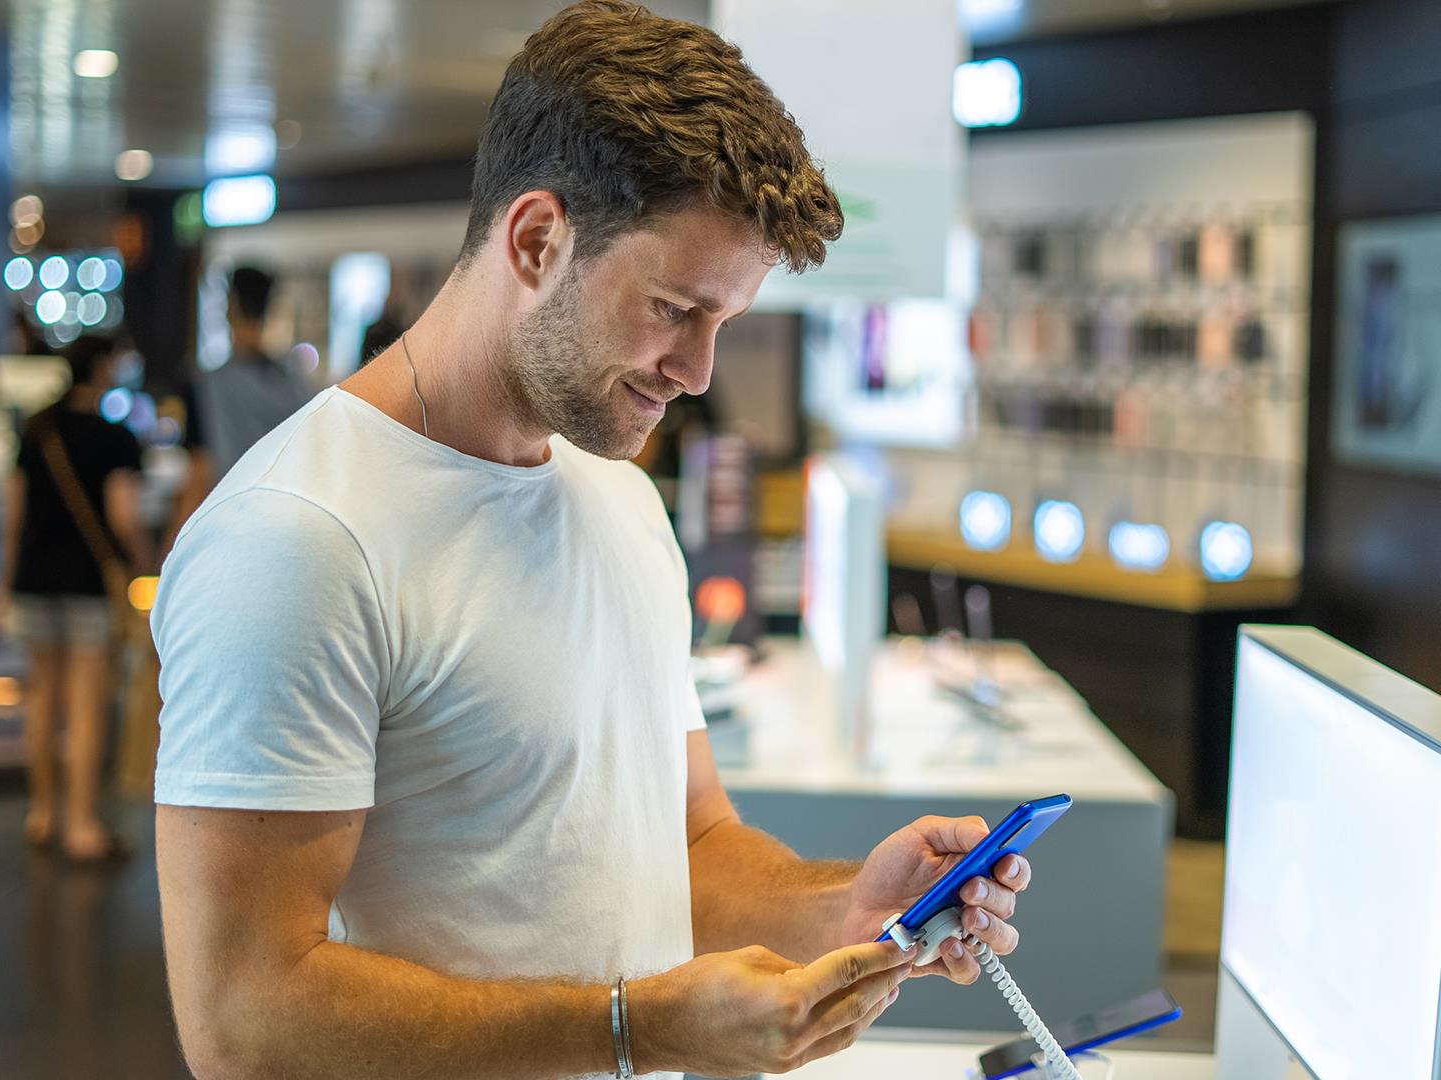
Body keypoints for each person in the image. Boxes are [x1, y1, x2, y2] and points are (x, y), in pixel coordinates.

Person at [151, 5, 1033, 1078]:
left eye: (724, 322)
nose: (700, 371)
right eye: (672, 309)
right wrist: (633, 1026)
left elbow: (692, 844)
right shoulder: (296, 541)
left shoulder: (616, 494)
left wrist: (844, 902)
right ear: (535, 240)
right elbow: (243, 1018)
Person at [0, 334, 148, 863]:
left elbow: (13, 515)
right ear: (101, 369)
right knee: (85, 705)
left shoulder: (37, 429)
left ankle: (43, 812)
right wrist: (145, 561)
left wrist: (2, 582)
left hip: (33, 581)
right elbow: (122, 517)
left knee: (42, 699)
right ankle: (81, 825)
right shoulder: (114, 436)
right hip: (85, 586)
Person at [161, 266, 314, 550]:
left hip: (229, 538)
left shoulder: (206, 385)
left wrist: (171, 550)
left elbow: (200, 474)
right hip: (292, 537)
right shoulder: (299, 388)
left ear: (231, 306)